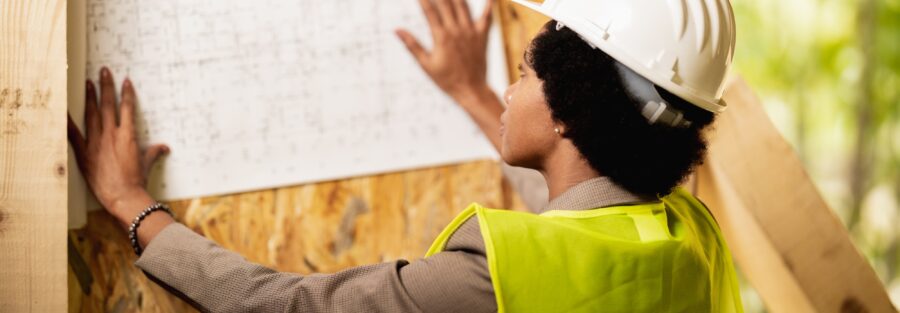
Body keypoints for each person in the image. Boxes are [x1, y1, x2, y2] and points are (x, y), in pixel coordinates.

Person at [67, 0, 744, 312]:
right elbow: (582, 215)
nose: (511, 88)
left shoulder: (492, 278)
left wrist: (132, 203)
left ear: (571, 110)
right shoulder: (688, 241)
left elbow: (286, 304)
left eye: (526, 75)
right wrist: (474, 92)